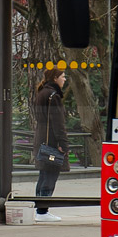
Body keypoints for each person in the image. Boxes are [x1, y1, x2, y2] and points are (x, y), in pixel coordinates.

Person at [31, 68, 70, 222]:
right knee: (51, 174)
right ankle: (42, 210)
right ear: (55, 78)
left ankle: (40, 208)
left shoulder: (42, 93)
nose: (64, 79)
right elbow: (58, 122)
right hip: (52, 142)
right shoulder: (53, 96)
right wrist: (63, 143)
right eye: (63, 76)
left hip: (42, 138)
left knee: (44, 174)